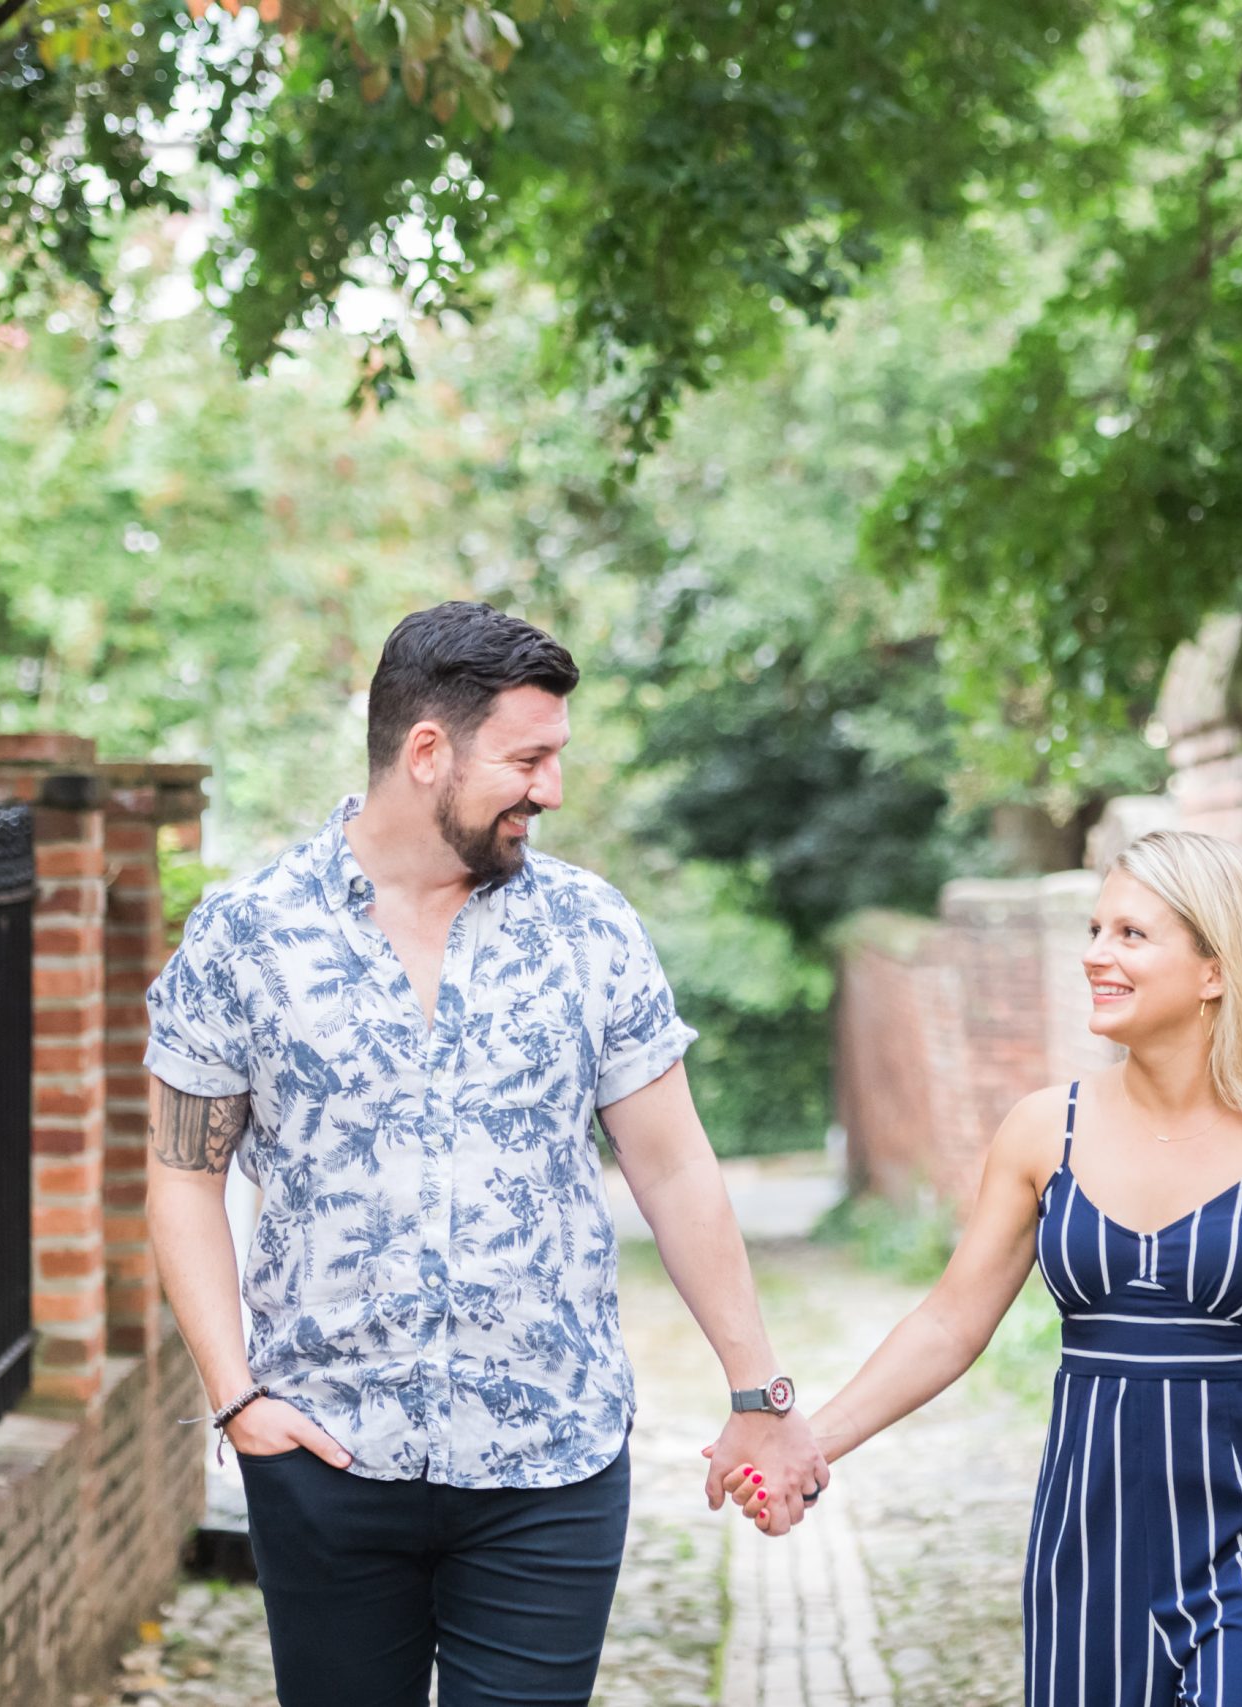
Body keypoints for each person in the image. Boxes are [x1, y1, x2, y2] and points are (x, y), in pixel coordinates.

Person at [143, 601, 826, 1707]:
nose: (550, 789)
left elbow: (675, 1167)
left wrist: (758, 1388)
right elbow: (183, 1171)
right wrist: (236, 1399)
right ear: (427, 753)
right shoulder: (244, 937)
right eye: (529, 758)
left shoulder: (590, 930)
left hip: (548, 1464)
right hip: (326, 1456)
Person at [733, 828, 1242, 1702]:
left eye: (1131, 936)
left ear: (1216, 969)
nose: (1094, 956)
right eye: (1094, 930)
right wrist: (811, 1443)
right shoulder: (1045, 1129)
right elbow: (950, 1321)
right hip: (1092, 1550)